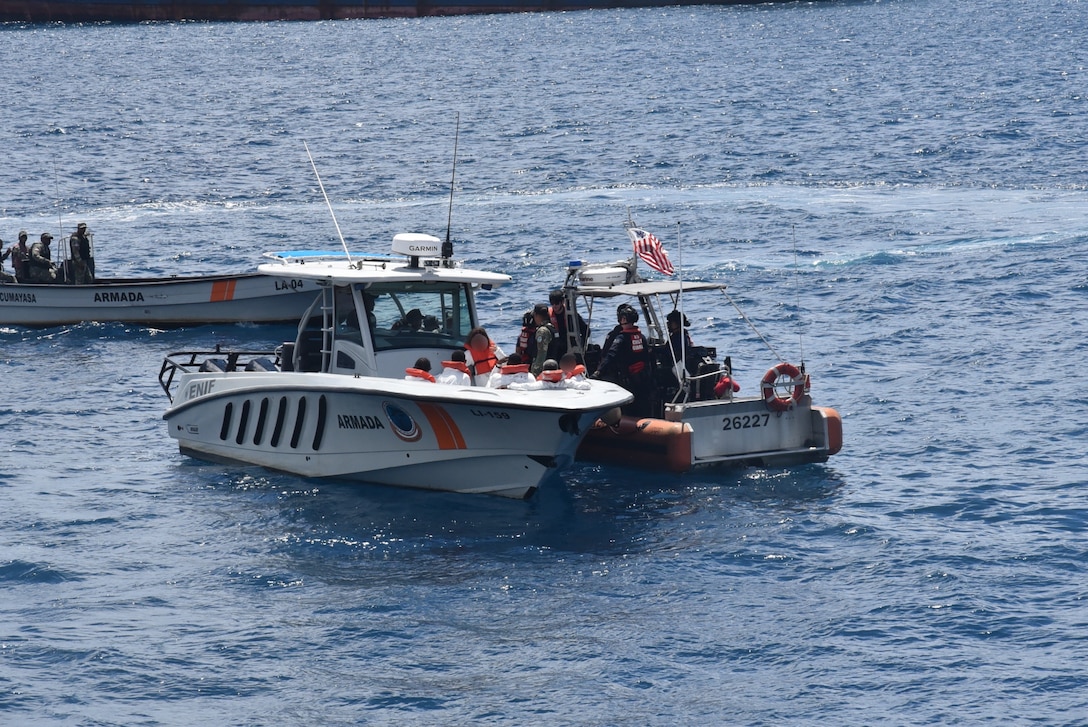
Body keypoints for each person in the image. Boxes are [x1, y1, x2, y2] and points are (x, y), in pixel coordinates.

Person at [592, 303, 651, 413]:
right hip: (642, 377)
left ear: (623, 319)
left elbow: (610, 355)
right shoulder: (641, 337)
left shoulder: (621, 338)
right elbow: (646, 356)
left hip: (626, 378)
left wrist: (598, 372)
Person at [548, 289, 588, 359]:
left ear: (562, 302)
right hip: (554, 347)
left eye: (557, 303)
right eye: (552, 303)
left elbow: (586, 331)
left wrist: (582, 346)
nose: (554, 305)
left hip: (570, 346)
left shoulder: (571, 314)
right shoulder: (548, 315)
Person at [666, 309, 697, 375]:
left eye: (670, 322)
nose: (668, 324)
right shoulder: (683, 334)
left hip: (679, 367)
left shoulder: (679, 337)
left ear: (677, 324)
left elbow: (668, 351)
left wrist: (654, 349)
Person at [530, 303, 554, 376]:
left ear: (537, 316)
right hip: (553, 365)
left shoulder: (542, 331)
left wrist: (535, 373)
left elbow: (541, 354)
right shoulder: (552, 327)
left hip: (544, 371)